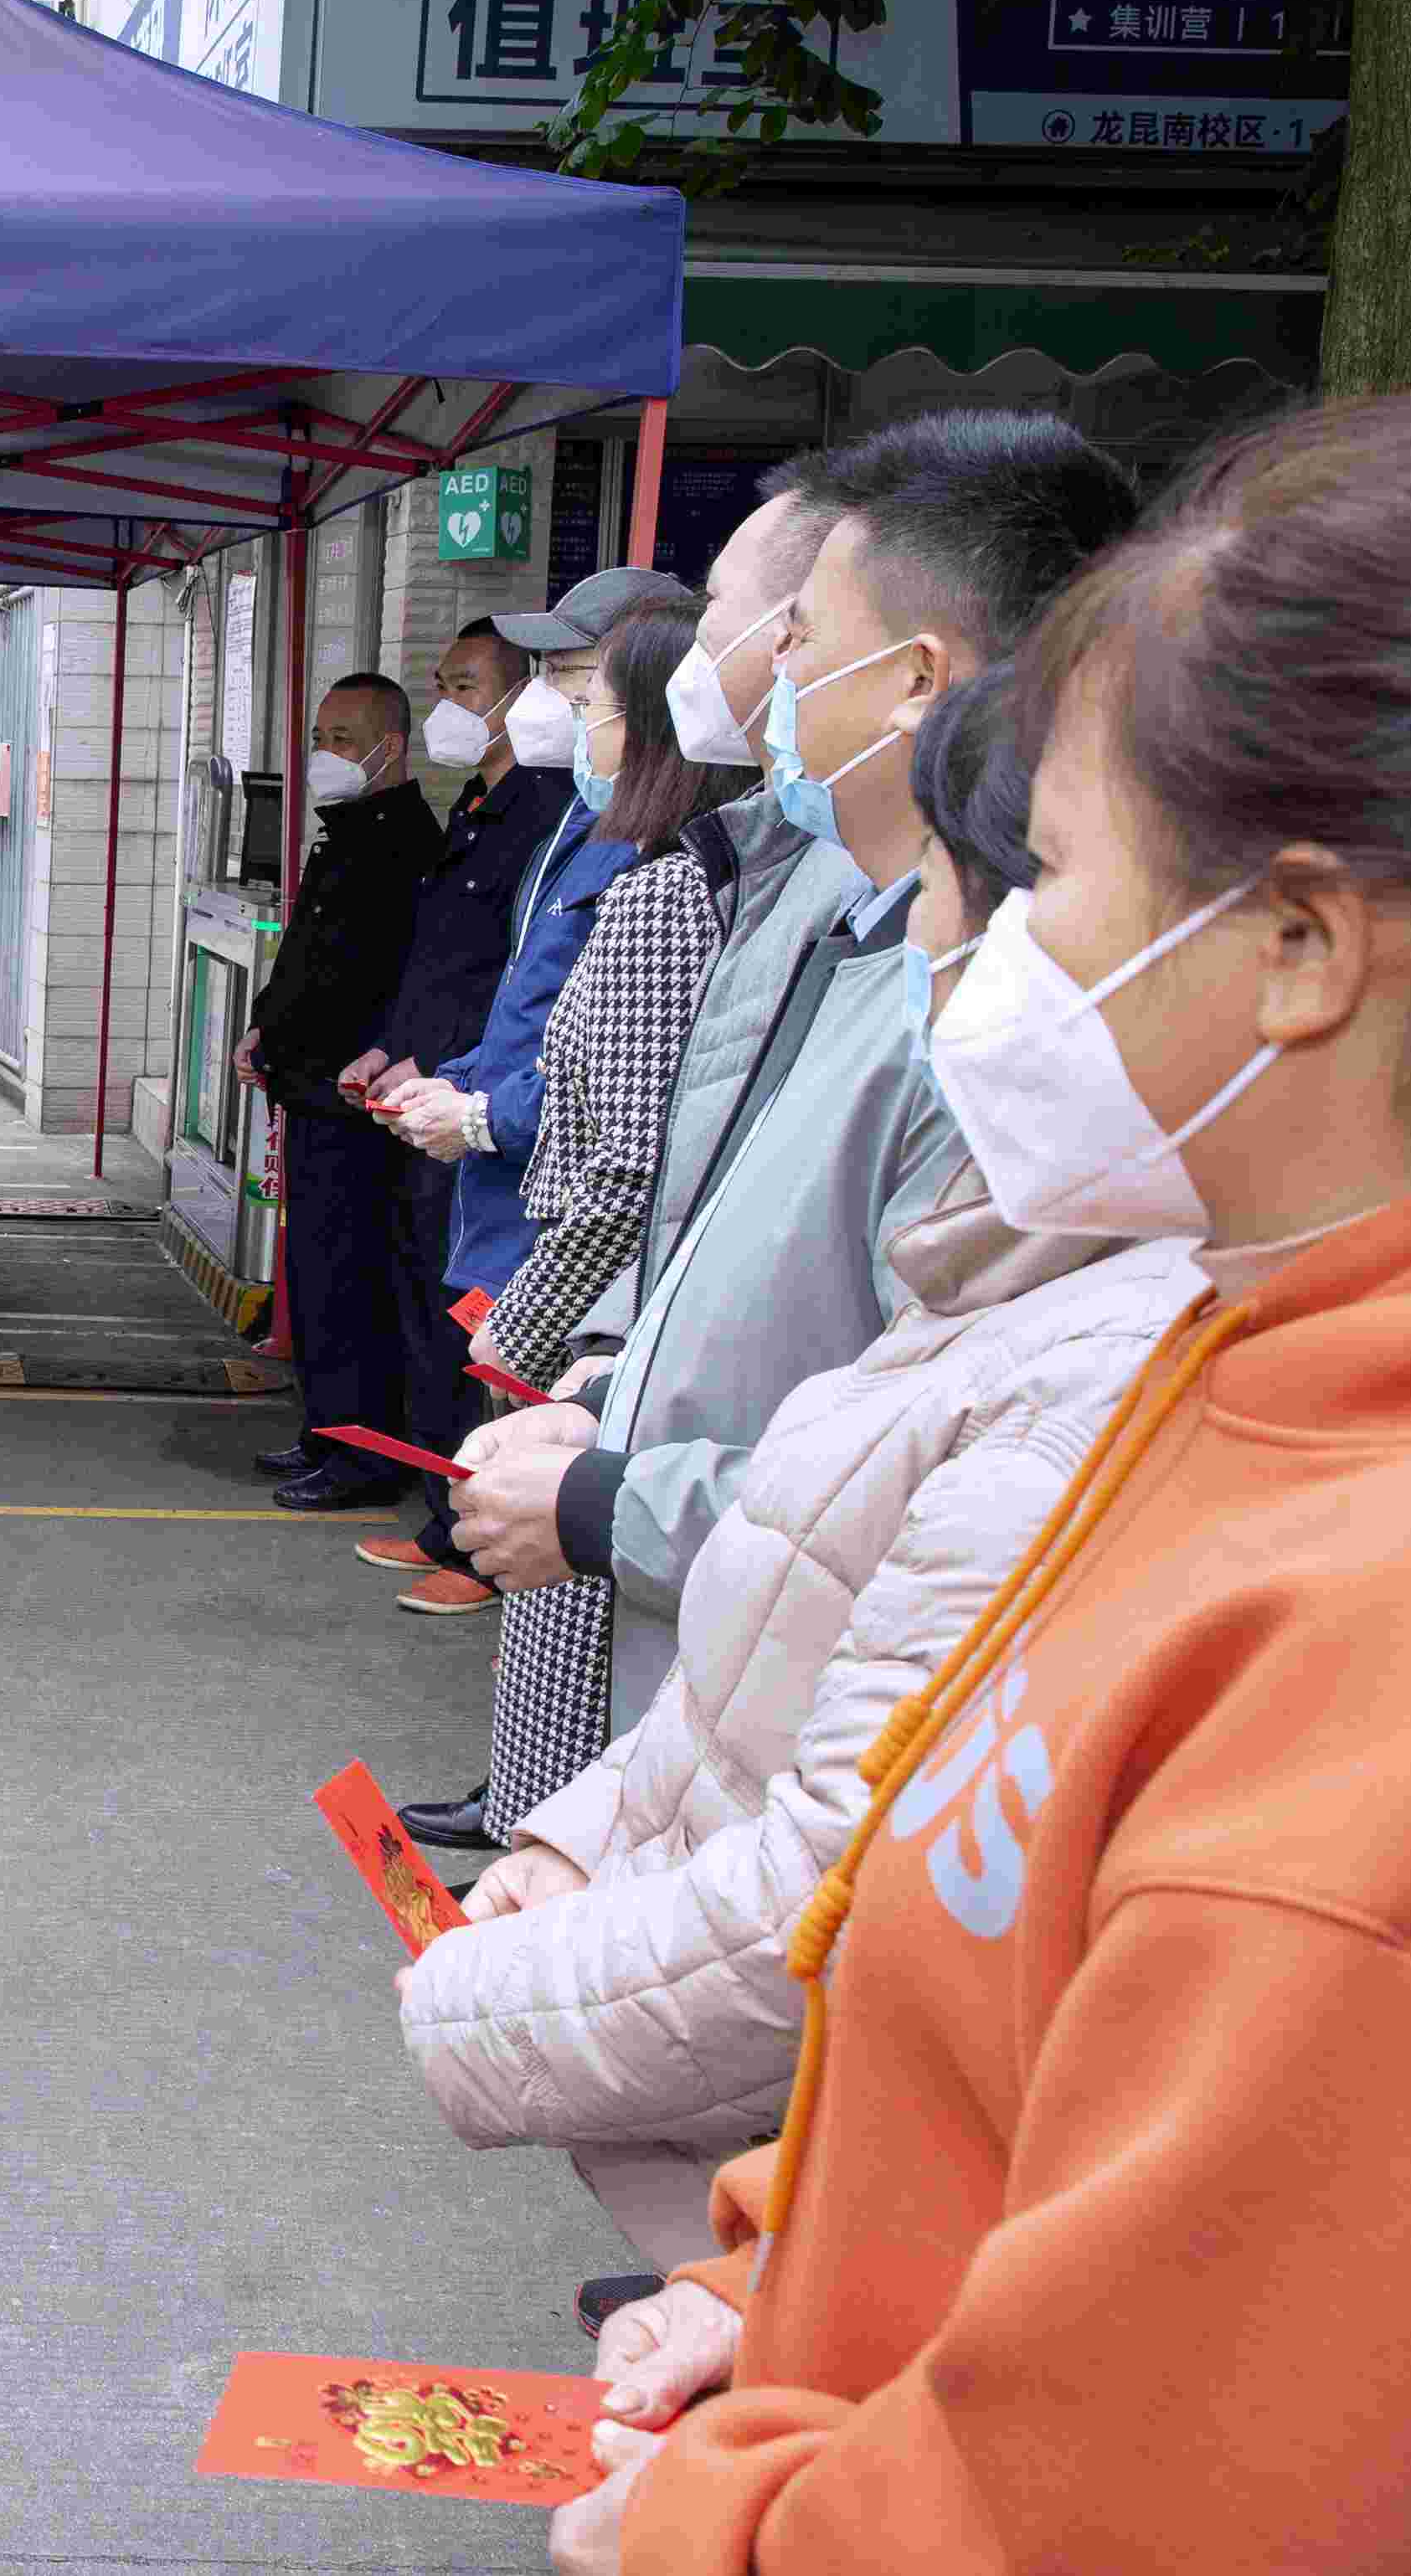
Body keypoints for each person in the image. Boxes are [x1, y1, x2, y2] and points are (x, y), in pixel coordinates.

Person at [579, 396, 1411, 2576]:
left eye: (1048, 880)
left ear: (1305, 946)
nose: (988, 957)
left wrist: (728, 2523)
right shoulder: (1271, 1381)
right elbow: (1049, 2046)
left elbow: (1147, 2499)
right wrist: (769, 2293)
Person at [393, 671, 1197, 2287]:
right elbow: (805, 1561)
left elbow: (858, 1853)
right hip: (818, 2193)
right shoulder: (1001, 1275)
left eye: (1019, 889)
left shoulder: (1133, 1344)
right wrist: (582, 1835)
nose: (929, 953)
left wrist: (482, 1995)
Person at [417, 414, 1135, 1854]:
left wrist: (621, 1486)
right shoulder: (808, 898)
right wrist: (627, 1370)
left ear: (917, 680)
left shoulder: (1002, 1017)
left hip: (810, 1745)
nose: (752, 676)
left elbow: (946, 1480)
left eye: (789, 633)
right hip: (709, 1677)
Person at [456, 598, 735, 1832]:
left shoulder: (662, 895)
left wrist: (521, 1334)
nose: (568, 716)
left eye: (589, 695)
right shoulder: (647, 866)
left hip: (596, 1333)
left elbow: (621, 1167)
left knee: (564, 1636)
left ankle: (541, 1863)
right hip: (607, 1314)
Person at [378, 570, 689, 1395]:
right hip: (502, 1203)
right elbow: (537, 1005)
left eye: (574, 680)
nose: (547, 702)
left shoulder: (666, 856)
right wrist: (462, 1080)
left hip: (557, 1234)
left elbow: (627, 1099)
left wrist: (483, 1114)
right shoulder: (587, 820)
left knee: (517, 1456)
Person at [324, 618, 571, 1571]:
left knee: (466, 1326)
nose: (447, 708)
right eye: (442, 685)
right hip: (426, 1094)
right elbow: (437, 964)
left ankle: (476, 1540)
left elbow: (514, 985)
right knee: (424, 1311)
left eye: (466, 687)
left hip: (479, 1110)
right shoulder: (475, 805)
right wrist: (395, 1050)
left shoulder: (550, 814)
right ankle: (445, 1520)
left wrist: (450, 1080)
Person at [238, 672, 439, 1499]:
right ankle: (325, 1431)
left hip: (357, 1103)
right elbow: (304, 965)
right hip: (313, 1089)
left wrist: (298, 1050)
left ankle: (363, 1456)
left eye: (344, 740)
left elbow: (369, 986)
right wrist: (263, 1030)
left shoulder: (403, 846)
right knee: (317, 1278)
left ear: (391, 747)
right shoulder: (348, 835)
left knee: (351, 1280)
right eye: (320, 738)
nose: (326, 755)